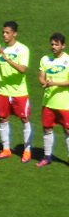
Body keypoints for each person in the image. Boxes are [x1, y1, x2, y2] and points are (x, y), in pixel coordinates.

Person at [0, 20, 32, 162]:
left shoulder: (23, 49)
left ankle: (27, 150)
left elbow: (23, 69)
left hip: (19, 91)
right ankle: (6, 149)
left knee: (24, 119)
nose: (4, 35)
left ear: (15, 34)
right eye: (3, 32)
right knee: (2, 118)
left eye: (7, 33)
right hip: (3, 91)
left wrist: (6, 59)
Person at [36, 32, 69, 168]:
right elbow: (41, 77)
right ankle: (47, 157)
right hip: (48, 102)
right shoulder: (45, 59)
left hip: (64, 103)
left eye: (56, 44)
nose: (53, 47)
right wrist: (44, 82)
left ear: (63, 46)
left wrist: (54, 83)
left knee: (67, 130)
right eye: (52, 44)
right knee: (47, 129)